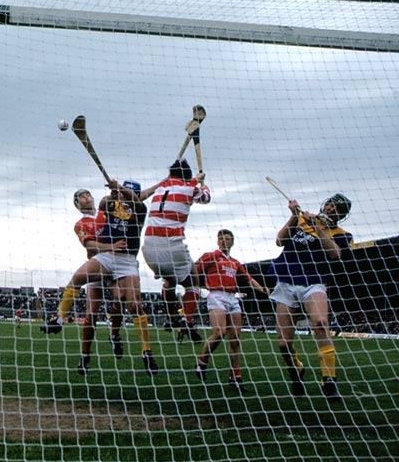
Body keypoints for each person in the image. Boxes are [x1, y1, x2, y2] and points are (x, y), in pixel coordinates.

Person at [42, 180, 158, 375]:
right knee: (91, 312)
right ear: (77, 205)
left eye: (87, 194)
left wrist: (160, 184)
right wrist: (114, 195)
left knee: (126, 301)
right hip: (101, 261)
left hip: (125, 261)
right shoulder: (85, 221)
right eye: (81, 197)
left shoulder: (124, 208)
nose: (86, 197)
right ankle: (78, 346)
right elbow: (90, 244)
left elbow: (138, 198)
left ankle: (119, 338)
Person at [269, 194, 353, 401]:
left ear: (341, 215)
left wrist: (317, 227)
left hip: (314, 282)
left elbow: (334, 253)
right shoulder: (301, 221)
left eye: (337, 208)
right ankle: (296, 369)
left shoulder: (341, 234)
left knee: (321, 322)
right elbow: (279, 240)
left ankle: (329, 380)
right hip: (286, 282)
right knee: (283, 344)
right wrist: (294, 216)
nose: (332, 208)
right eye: (331, 204)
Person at [140, 158, 211, 343]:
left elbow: (175, 184)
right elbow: (206, 198)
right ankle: (187, 319)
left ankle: (173, 318)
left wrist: (194, 180)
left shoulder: (160, 189)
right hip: (171, 245)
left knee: (169, 281)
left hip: (148, 248)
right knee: (193, 282)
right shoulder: (189, 189)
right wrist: (203, 184)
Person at [193, 229, 269, 391]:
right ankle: (201, 362)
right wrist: (199, 285)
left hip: (232, 297)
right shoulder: (211, 256)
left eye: (227, 238)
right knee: (219, 333)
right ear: (217, 241)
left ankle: (235, 377)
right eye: (221, 238)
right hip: (216, 295)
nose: (224, 241)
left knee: (235, 339)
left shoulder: (235, 262)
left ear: (232, 242)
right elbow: (194, 270)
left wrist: (262, 289)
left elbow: (248, 278)